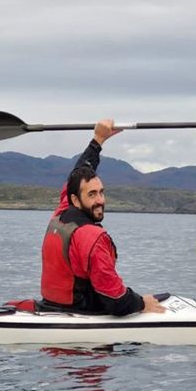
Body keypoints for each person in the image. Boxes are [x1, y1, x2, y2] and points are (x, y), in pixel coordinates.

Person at [40, 119, 166, 315]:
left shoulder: (62, 211)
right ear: (76, 199)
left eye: (101, 192)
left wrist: (98, 140)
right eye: (92, 195)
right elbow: (116, 301)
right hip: (81, 314)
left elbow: (78, 172)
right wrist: (142, 304)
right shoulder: (93, 239)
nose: (100, 200)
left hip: (52, 306)